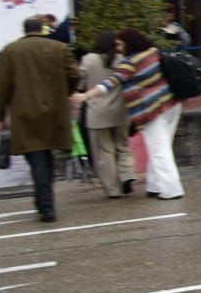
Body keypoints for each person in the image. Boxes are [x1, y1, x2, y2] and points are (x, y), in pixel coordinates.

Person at [74, 29, 185, 200]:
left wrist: (86, 95)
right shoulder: (153, 53)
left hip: (152, 108)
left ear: (129, 42)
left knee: (158, 149)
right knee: (161, 146)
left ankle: (172, 189)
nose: (118, 47)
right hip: (171, 103)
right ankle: (155, 185)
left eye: (120, 44)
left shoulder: (131, 62)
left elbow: (111, 82)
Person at [0, 14, 80, 222]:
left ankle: (45, 205)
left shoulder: (12, 50)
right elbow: (75, 74)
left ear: (25, 30)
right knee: (46, 155)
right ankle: (44, 202)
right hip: (55, 110)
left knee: (36, 156)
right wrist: (65, 92)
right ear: (42, 29)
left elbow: (1, 85)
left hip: (25, 112)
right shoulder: (59, 48)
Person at [80, 30, 134, 198]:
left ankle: (113, 189)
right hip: (120, 111)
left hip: (97, 113)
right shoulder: (121, 60)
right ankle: (127, 175)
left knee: (105, 152)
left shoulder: (88, 60)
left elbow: (81, 81)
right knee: (123, 146)